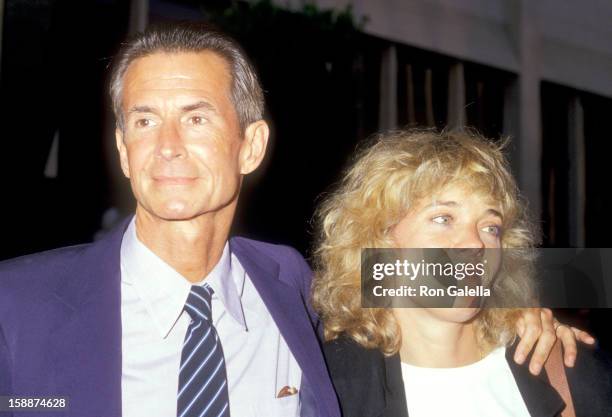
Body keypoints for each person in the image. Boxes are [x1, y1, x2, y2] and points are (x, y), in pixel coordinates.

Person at [0, 23, 590, 417]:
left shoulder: (292, 291)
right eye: (145, 120)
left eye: (197, 117)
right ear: (124, 148)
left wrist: (522, 306)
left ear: (251, 146)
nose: (169, 145)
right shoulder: (16, 302)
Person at [314, 129, 611, 417]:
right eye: (443, 218)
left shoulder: (563, 368)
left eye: (490, 227)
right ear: (380, 239)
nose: (475, 243)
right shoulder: (326, 386)